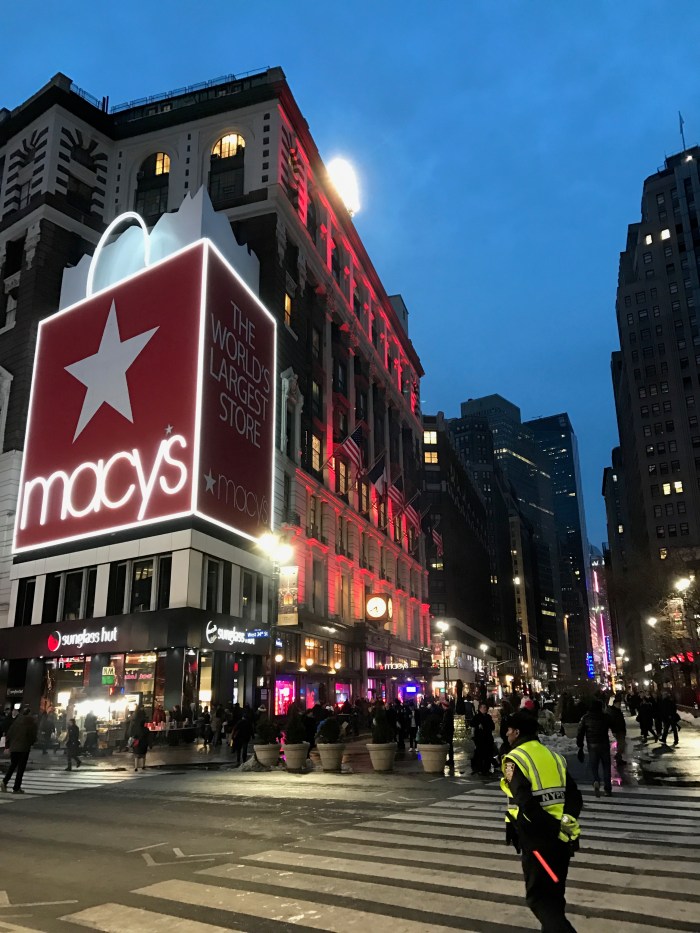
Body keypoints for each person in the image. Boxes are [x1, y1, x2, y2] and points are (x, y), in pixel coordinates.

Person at [501, 710, 582, 933]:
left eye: (509, 730)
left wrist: (551, 828)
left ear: (517, 732)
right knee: (555, 897)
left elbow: (525, 802)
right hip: (563, 841)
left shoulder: (514, 760)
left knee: (539, 899)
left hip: (538, 841)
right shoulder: (554, 757)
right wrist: (565, 822)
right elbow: (574, 796)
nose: (506, 735)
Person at [576, 699, 614, 797]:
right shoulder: (605, 717)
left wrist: (580, 745)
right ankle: (607, 789)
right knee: (606, 766)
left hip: (592, 745)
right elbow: (613, 725)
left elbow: (580, 732)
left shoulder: (586, 718)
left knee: (594, 765)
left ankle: (596, 780)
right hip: (604, 744)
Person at [1, 705, 38, 794]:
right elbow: (32, 736)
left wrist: (8, 746)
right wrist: (31, 743)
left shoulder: (16, 721)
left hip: (14, 748)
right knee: (21, 768)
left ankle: (4, 781)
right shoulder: (30, 722)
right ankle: (16, 788)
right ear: (29, 714)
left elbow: (9, 734)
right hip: (24, 748)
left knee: (13, 765)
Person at [471, 702, 495, 775]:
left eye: (485, 707)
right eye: (483, 707)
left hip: (488, 738)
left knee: (488, 754)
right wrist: (478, 726)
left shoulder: (488, 716)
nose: (484, 709)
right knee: (480, 754)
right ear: (479, 708)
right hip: (480, 739)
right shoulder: (477, 717)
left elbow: (492, 726)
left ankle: (486, 769)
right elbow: (472, 724)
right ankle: (480, 769)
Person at [607, 696, 627, 766]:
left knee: (620, 744)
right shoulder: (613, 711)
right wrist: (614, 730)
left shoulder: (617, 710)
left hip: (620, 729)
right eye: (618, 704)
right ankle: (618, 758)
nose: (619, 705)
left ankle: (619, 757)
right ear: (614, 704)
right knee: (622, 745)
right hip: (618, 730)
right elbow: (612, 722)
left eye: (620, 704)